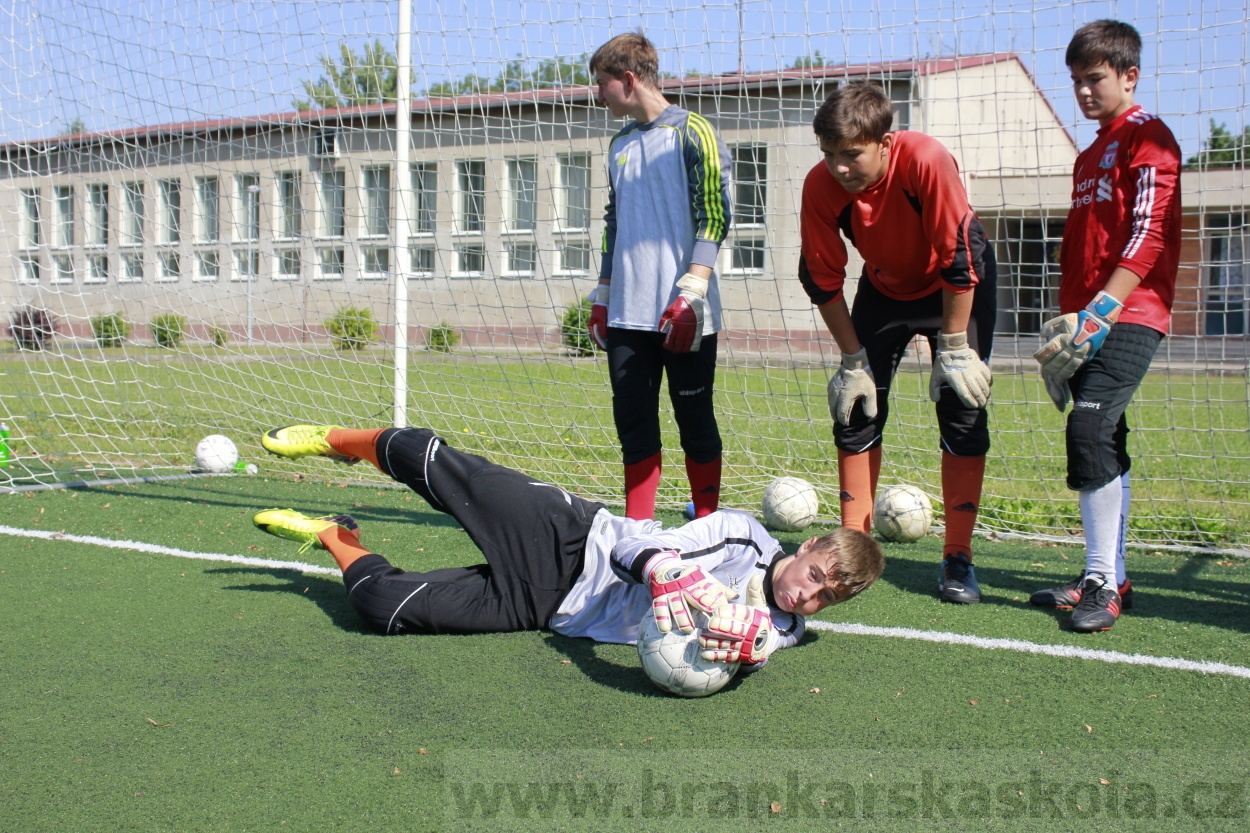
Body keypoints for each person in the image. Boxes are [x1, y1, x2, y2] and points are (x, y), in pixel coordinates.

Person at [255, 425, 884, 665]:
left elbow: (766, 641)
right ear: (806, 546)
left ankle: (335, 534)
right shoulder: (742, 535)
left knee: (382, 608)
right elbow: (638, 550)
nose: (808, 596)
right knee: (435, 463)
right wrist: (666, 572)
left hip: (550, 608)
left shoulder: (784, 627)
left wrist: (752, 653)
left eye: (825, 598)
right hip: (571, 537)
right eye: (816, 575)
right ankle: (337, 439)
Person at [798, 81, 997, 604]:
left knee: (962, 406)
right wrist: (852, 360)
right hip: (884, 290)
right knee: (855, 408)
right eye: (829, 154)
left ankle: (958, 557)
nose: (839, 167)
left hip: (954, 287)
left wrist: (953, 347)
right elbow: (821, 279)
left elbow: (960, 256)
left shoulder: (926, 160)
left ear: (885, 143)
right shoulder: (820, 185)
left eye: (851, 154)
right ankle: (851, 550)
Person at [1030, 21, 1181, 632]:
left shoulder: (1151, 137)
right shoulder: (1089, 153)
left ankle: (1100, 582)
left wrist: (1101, 311)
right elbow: (1078, 250)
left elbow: (1150, 232)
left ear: (1129, 75)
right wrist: (1067, 326)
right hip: (1086, 319)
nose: (1084, 91)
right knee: (1104, 432)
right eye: (1075, 81)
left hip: (1131, 312)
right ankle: (1109, 575)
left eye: (1095, 78)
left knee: (1089, 427)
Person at [586, 32, 733, 521]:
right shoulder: (619, 144)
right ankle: (639, 527)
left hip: (684, 310)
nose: (598, 95)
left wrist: (693, 290)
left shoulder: (693, 131)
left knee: (695, 420)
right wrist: (603, 294)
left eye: (602, 84)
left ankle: (707, 523)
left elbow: (715, 215)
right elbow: (613, 223)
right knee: (633, 423)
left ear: (628, 80)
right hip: (627, 314)